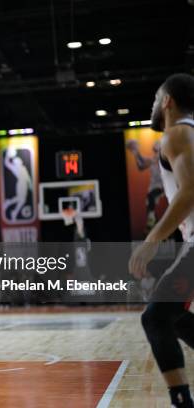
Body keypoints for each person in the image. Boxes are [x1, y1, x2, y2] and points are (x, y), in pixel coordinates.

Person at [129, 73, 194, 408]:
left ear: (167, 100)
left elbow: (190, 192)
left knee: (155, 318)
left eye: (156, 98)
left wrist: (153, 239)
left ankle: (182, 401)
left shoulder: (178, 132)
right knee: (171, 315)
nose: (154, 105)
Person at [126, 139, 164, 230]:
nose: (156, 146)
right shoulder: (152, 159)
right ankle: (154, 225)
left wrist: (136, 152)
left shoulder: (163, 157)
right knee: (149, 203)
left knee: (151, 197)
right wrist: (136, 153)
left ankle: (153, 221)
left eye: (158, 145)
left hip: (164, 185)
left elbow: (144, 163)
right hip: (154, 185)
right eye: (155, 145)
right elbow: (141, 166)